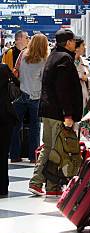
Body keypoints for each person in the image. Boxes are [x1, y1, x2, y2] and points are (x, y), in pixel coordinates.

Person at [28, 29, 83, 197]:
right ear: (68, 42)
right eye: (74, 40)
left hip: (48, 110)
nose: (76, 43)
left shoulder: (54, 56)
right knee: (52, 147)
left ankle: (52, 185)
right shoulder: (65, 59)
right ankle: (36, 181)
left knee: (55, 148)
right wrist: (68, 114)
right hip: (57, 112)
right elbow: (63, 90)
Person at [9, 33, 49, 163]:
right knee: (35, 127)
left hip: (21, 94)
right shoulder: (44, 60)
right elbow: (44, 80)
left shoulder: (23, 54)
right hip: (35, 97)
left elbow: (16, 71)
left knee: (15, 126)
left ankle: (14, 155)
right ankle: (33, 156)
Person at [0, 64, 19, 195]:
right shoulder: (3, 68)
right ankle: (2, 186)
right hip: (4, 115)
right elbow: (17, 84)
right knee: (2, 153)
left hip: (5, 116)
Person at [74, 37, 90, 110]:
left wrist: (86, 79)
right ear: (76, 48)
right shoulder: (67, 63)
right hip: (71, 102)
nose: (85, 47)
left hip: (84, 101)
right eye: (83, 45)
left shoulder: (85, 63)